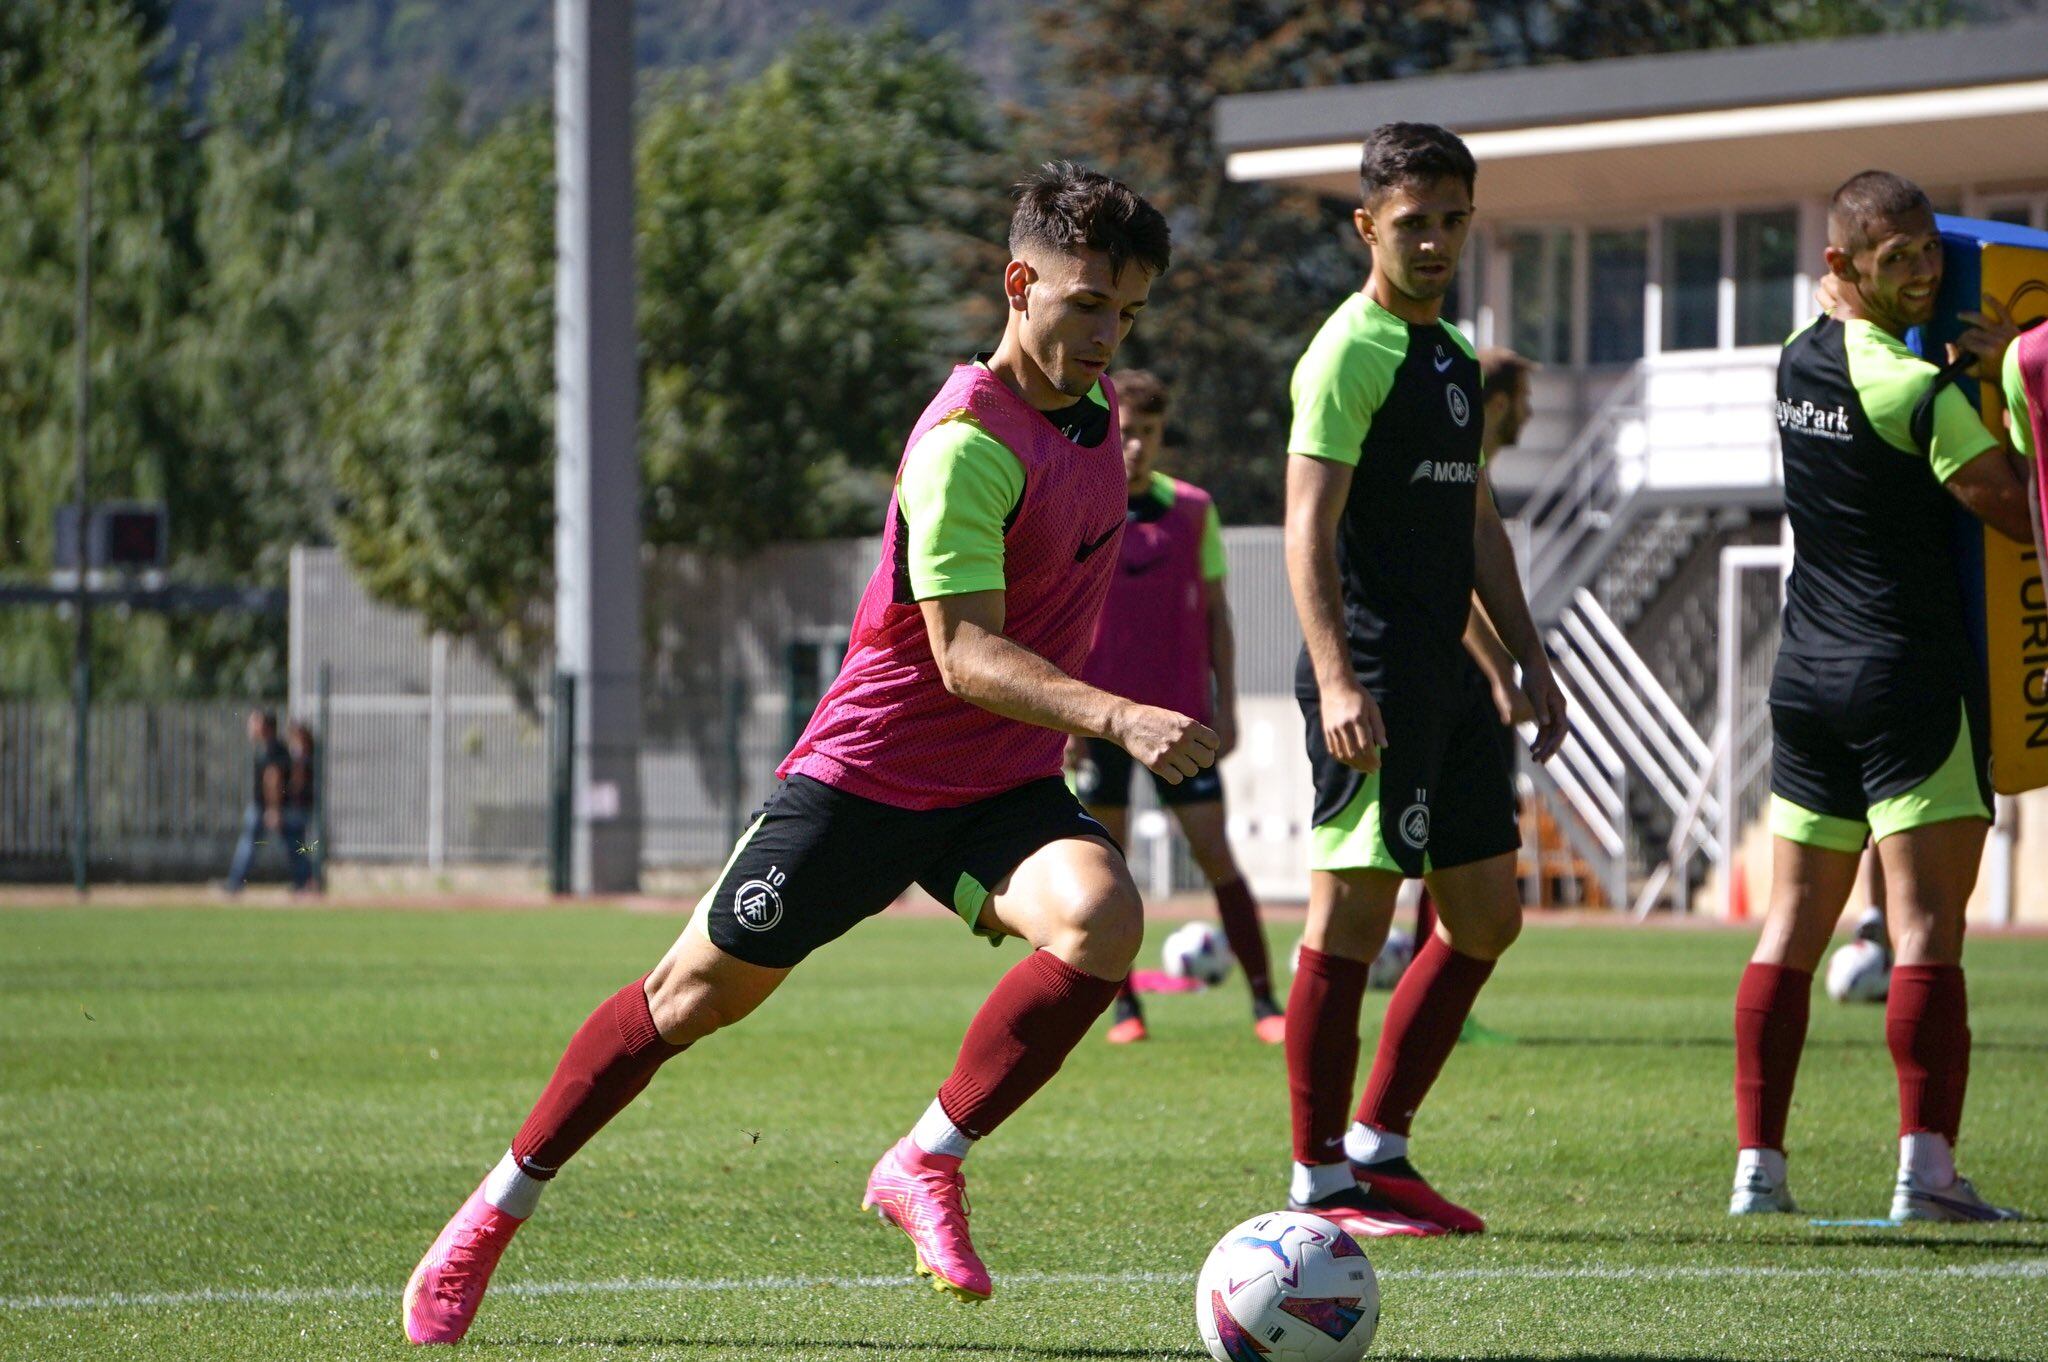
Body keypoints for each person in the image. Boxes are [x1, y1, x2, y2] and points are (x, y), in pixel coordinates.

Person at [401, 163, 1207, 1345]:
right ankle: (488, 1216)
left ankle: (925, 1161)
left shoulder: (1095, 423)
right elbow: (962, 655)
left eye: (1126, 314)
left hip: (1002, 784)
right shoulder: (964, 444)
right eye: (1086, 304)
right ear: (1017, 283)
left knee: (1102, 920)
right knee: (686, 1000)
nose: (1105, 336)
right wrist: (1120, 717)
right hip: (867, 777)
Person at [1729, 170, 2034, 1223]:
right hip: (1908, 680)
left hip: (1805, 679)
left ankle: (1758, 1173)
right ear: (1846, 263)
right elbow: (2021, 512)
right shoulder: (1920, 393)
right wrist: (2014, 386)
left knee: (1788, 929)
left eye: (1929, 252)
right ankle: (1928, 1176)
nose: (1924, 274)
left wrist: (1910, 341)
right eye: (1897, 259)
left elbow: (1848, 359)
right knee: (1925, 931)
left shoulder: (1792, 358)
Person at [1280, 123, 1568, 1240]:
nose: (1436, 241)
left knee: (1486, 916)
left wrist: (1530, 655)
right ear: (1368, 227)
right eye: (1413, 223)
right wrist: (1336, 679)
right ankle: (1318, 1179)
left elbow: (1477, 520)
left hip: (1447, 676)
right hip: (1371, 675)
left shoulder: (1450, 353)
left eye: (1453, 220)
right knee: (1351, 915)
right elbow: (1306, 529)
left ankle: (1377, 1147)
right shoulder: (1345, 354)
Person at [1066, 368, 1285, 1045]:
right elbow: (1058, 615)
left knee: (1216, 853)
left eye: (1150, 433)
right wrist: (1064, 719)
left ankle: (1264, 1003)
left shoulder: (1193, 510)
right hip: (1100, 718)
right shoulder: (1077, 505)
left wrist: (1229, 704)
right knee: (1107, 868)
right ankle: (1124, 1010)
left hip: (1181, 718)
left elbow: (1218, 614)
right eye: (1126, 432)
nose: (1135, 447)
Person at [222, 709, 296, 894]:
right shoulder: (271, 748)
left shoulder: (272, 749)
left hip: (266, 808)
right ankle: (303, 881)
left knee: (252, 844)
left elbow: (273, 779)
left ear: (266, 727)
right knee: (292, 845)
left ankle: (234, 883)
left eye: (255, 723)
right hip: (268, 807)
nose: (251, 727)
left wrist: (273, 809)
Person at [284, 720, 319, 895]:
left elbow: (298, 783)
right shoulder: (304, 757)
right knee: (297, 846)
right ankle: (302, 880)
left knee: (299, 846)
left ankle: (307, 879)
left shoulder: (303, 758)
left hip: (300, 807)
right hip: (299, 807)